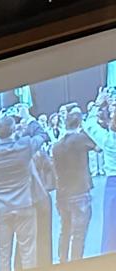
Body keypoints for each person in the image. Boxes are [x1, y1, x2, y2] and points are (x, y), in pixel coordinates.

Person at [0, 113, 42, 271]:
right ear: (14, 129)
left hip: (0, 209)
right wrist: (28, 118)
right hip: (24, 205)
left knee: (3, 253)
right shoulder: (24, 146)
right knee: (28, 251)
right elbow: (42, 134)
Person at [53, 106, 97, 262]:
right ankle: (76, 263)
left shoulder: (56, 146)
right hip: (79, 191)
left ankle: (62, 260)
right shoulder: (80, 139)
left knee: (64, 230)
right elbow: (98, 147)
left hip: (62, 194)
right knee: (78, 234)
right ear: (80, 123)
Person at [82, 89, 116, 253]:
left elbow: (88, 124)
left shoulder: (108, 141)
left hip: (113, 184)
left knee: (111, 224)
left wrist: (97, 103)